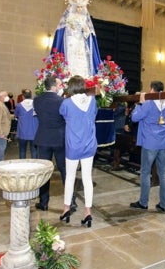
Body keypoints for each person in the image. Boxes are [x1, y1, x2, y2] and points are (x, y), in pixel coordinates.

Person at [59, 76, 98, 227]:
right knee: (87, 178)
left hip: (73, 145)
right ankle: (88, 212)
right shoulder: (92, 100)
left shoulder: (66, 103)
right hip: (89, 145)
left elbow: (62, 114)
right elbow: (94, 114)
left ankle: (66, 209)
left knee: (70, 177)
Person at [33, 77, 76, 212]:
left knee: (44, 172)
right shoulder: (62, 101)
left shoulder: (37, 100)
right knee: (65, 171)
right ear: (54, 86)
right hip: (59, 139)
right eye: (59, 84)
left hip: (43, 138)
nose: (60, 86)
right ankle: (71, 202)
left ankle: (44, 202)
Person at [129, 80, 165, 213]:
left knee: (145, 173)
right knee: (163, 174)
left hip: (150, 143)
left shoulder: (148, 104)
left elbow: (135, 118)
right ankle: (164, 205)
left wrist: (139, 103)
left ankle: (143, 202)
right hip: (164, 143)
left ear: (152, 90)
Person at [51, 0, 102, 78]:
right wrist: (72, 27)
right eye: (78, 6)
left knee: (82, 61)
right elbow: (66, 31)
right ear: (74, 6)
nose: (79, 9)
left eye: (81, 7)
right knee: (72, 60)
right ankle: (70, 77)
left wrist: (86, 30)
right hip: (72, 41)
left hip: (81, 42)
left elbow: (88, 33)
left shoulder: (84, 18)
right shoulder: (70, 16)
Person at [14, 89, 38, 159]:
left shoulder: (19, 105)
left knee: (22, 150)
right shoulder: (36, 104)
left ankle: (22, 166)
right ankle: (34, 167)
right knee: (34, 150)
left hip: (22, 132)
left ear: (23, 96)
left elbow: (16, 115)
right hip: (34, 131)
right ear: (31, 95)